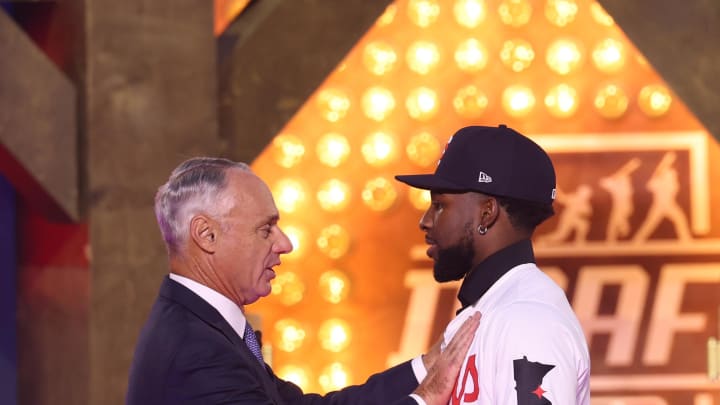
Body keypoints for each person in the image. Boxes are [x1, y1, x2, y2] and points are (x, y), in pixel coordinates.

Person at [126, 157, 481, 405]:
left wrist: (424, 368)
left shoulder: (203, 329)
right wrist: (425, 400)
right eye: (265, 228)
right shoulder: (197, 350)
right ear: (207, 234)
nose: (285, 244)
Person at [395, 125, 590, 404]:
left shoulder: (527, 320)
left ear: (486, 213)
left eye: (439, 205)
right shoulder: (486, 311)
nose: (425, 221)